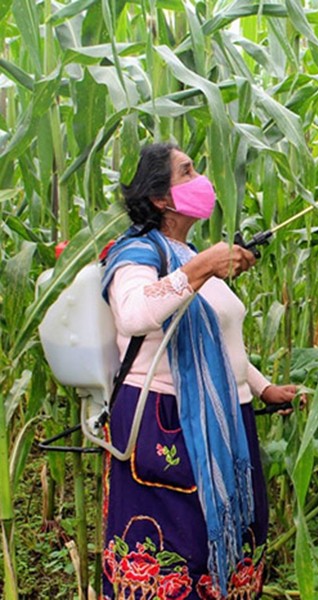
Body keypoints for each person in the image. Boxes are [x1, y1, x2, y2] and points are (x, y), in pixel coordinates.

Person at [100, 142, 299, 600]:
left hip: (224, 422)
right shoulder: (138, 252)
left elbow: (220, 343)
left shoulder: (185, 254)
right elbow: (132, 314)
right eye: (187, 172)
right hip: (164, 421)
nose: (201, 180)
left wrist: (263, 388)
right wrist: (202, 266)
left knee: (224, 543)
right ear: (160, 199)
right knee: (176, 544)